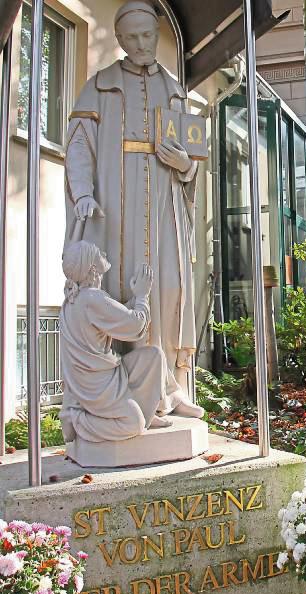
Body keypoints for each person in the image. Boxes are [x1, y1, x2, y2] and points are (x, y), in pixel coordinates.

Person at [63, 0, 202, 417]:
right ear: (120, 40)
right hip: (114, 207)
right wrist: (84, 192)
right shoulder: (100, 85)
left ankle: (172, 387)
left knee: (170, 288)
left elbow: (193, 155)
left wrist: (185, 165)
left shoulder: (176, 89)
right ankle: (131, 394)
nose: (142, 44)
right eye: (133, 37)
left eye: (148, 36)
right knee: (120, 288)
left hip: (164, 203)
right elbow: (79, 145)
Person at [60, 241, 173, 443]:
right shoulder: (92, 299)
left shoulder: (80, 299)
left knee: (153, 357)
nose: (104, 252)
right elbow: (134, 327)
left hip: (107, 372)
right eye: (98, 253)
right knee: (132, 424)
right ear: (92, 267)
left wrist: (134, 302)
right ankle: (76, 419)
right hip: (98, 385)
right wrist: (142, 295)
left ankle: (145, 411)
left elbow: (115, 316)